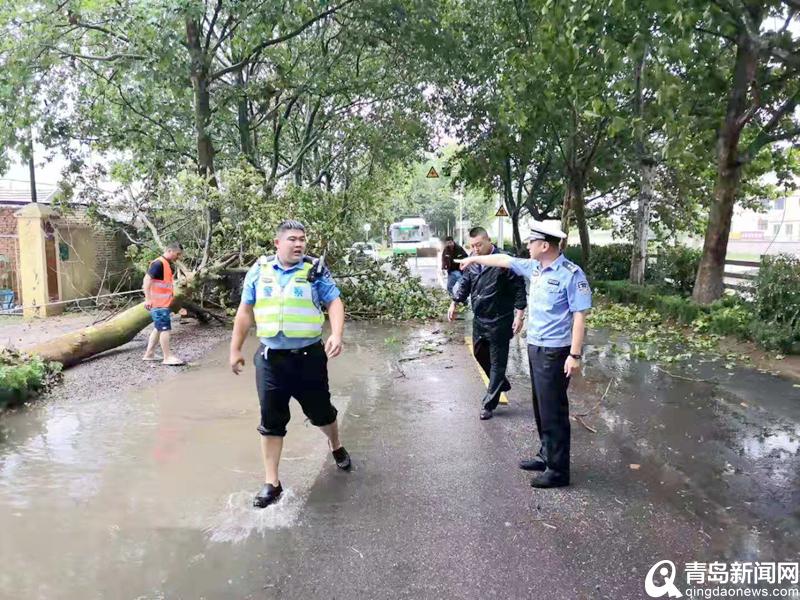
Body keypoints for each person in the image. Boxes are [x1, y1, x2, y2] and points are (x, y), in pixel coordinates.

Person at [456, 221, 591, 489]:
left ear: (544, 245)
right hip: (536, 346)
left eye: (531, 242)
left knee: (553, 409)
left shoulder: (571, 274)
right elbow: (504, 259)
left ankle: (558, 471)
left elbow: (579, 317)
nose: (527, 246)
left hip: (556, 350)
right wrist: (474, 260)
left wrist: (574, 355)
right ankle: (545, 455)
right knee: (541, 406)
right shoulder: (535, 268)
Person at [229, 220, 351, 509]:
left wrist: (336, 333)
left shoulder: (315, 271)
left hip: (309, 358)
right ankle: (272, 482)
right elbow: (245, 311)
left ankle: (335, 444)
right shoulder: (259, 271)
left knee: (321, 413)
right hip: (271, 360)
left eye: (302, 240)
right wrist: (235, 349)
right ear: (277, 243)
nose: (299, 245)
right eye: (293, 239)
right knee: (271, 421)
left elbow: (334, 302)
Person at [448, 227, 526, 421]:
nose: (475, 249)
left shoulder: (504, 261)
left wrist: (519, 315)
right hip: (480, 318)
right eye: (472, 246)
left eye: (478, 245)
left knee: (498, 363)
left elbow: (518, 288)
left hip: (500, 319)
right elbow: (465, 283)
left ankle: (488, 404)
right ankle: (501, 383)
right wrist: (454, 302)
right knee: (478, 352)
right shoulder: (473, 262)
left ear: (488, 241)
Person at [142, 242, 185, 366]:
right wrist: (147, 299)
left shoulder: (165, 264)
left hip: (162, 304)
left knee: (158, 328)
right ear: (170, 251)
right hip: (158, 304)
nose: (179, 257)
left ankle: (149, 354)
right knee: (165, 329)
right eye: (178, 254)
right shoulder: (158, 263)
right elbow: (147, 279)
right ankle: (167, 357)